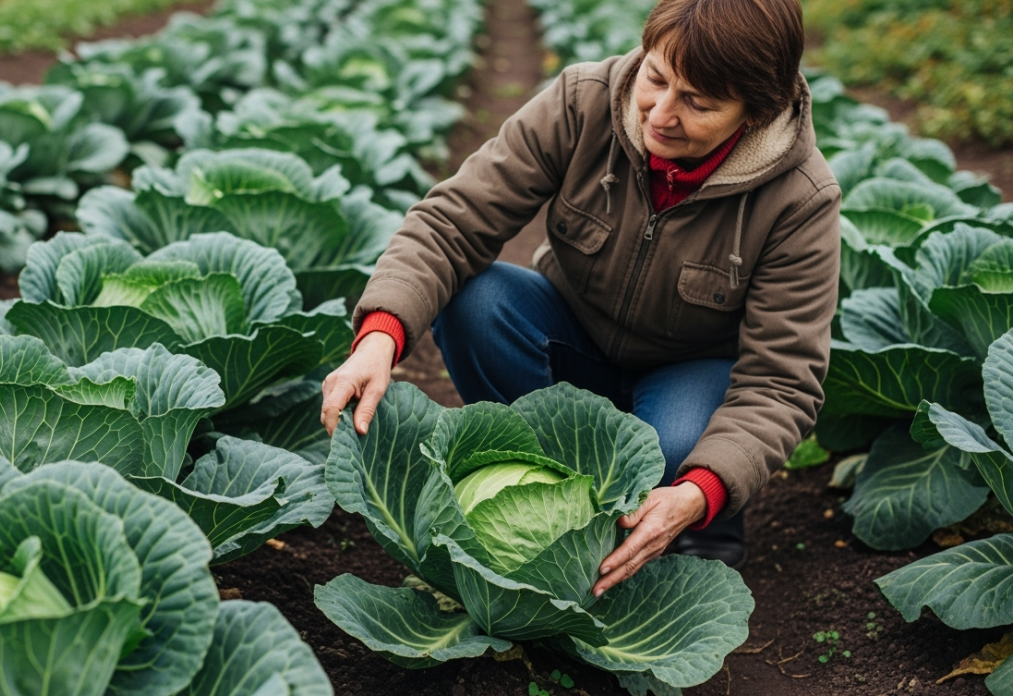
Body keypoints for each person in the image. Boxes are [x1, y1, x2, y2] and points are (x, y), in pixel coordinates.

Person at [319, 0, 840, 597]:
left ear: (756, 110)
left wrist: (704, 488)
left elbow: (781, 381)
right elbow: (452, 222)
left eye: (698, 103)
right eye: (656, 78)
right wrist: (380, 334)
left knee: (671, 449)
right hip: (574, 338)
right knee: (477, 301)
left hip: (690, 375)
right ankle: (547, 496)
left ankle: (689, 510)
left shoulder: (800, 198)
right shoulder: (583, 102)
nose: (662, 115)